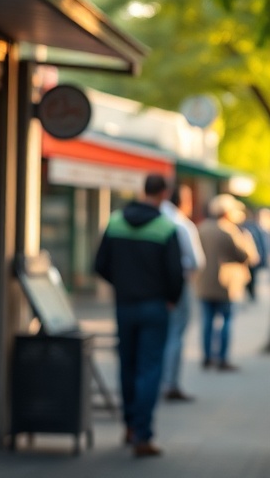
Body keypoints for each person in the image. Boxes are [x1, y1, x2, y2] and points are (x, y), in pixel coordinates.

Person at [94, 173, 183, 457]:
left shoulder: (116, 221)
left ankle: (130, 425)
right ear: (164, 193)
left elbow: (100, 264)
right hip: (155, 306)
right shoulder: (166, 227)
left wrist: (121, 284)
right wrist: (172, 298)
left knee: (127, 366)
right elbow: (175, 273)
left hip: (124, 305)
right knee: (149, 369)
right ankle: (143, 434)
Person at [196, 193, 259, 371]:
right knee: (225, 321)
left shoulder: (202, 228)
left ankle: (207, 356)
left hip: (204, 283)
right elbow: (245, 256)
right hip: (226, 285)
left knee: (207, 321)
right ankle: (222, 358)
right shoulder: (230, 231)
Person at [158, 182, 206, 402]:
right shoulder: (182, 224)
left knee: (158, 335)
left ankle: (158, 380)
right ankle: (170, 383)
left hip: (151, 287)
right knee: (175, 334)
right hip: (178, 284)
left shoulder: (157, 219)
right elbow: (196, 261)